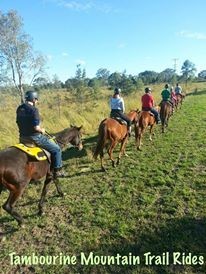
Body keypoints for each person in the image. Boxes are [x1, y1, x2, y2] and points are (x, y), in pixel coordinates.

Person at [16, 90, 66, 179]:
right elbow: (36, 128)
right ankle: (58, 170)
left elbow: (18, 122)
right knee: (56, 149)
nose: (37, 101)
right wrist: (42, 130)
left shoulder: (19, 108)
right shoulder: (34, 110)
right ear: (34, 99)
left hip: (22, 137)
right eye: (36, 99)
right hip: (35, 137)